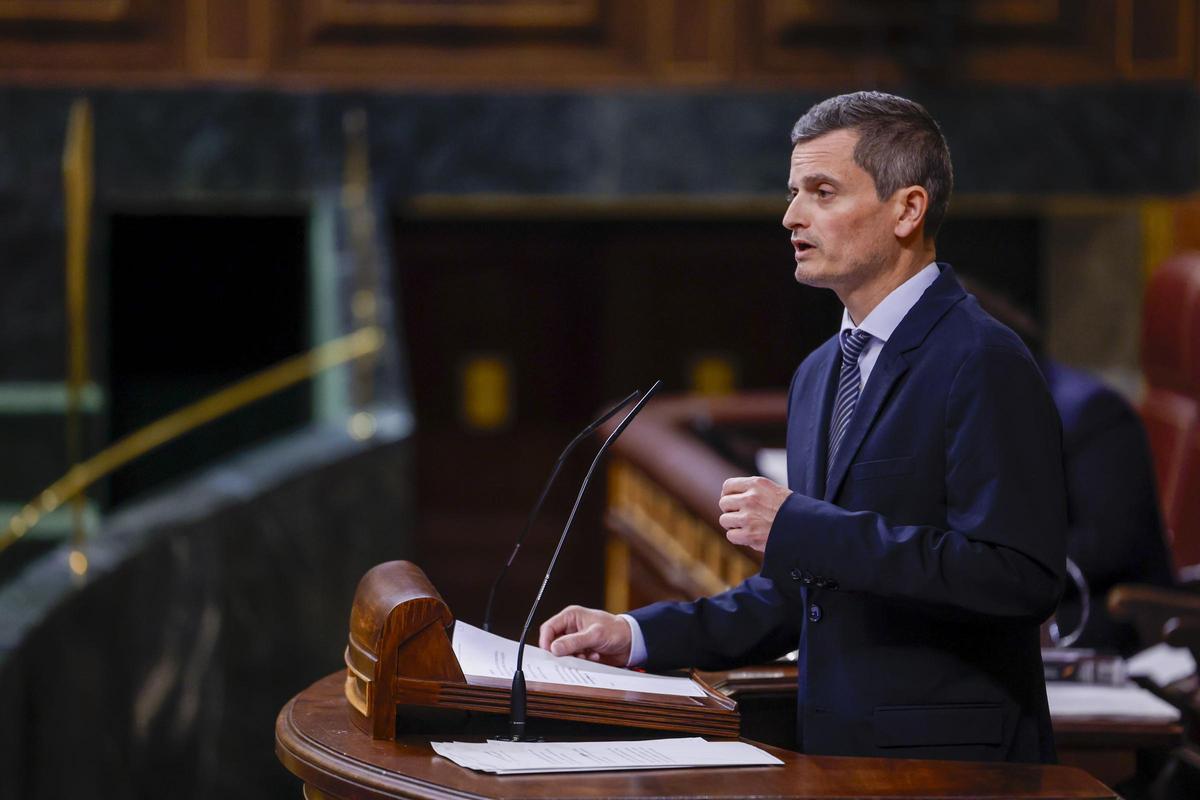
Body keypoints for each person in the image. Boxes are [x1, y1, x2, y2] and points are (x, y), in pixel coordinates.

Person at [539, 91, 1068, 763]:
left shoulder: (983, 359)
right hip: (835, 756)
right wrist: (636, 635)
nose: (791, 216)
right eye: (793, 193)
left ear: (908, 209)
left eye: (822, 192)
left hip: (951, 765)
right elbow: (798, 597)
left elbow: (1016, 578)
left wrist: (803, 527)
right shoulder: (820, 372)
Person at [960, 280, 1176, 656]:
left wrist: (989, 566)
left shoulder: (1092, 414)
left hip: (1112, 616)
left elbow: (1110, 544)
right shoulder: (975, 412)